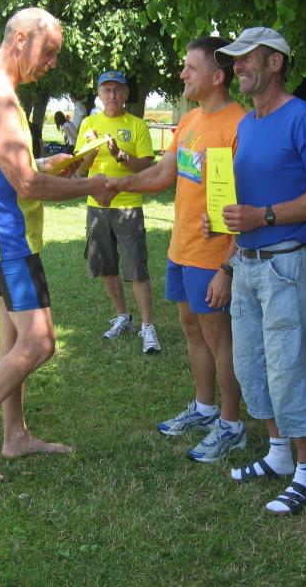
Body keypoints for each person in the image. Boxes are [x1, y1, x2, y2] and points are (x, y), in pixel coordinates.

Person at [0, 8, 113, 481]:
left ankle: (15, 434)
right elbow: (26, 186)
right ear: (21, 39)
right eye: (50, 51)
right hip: (8, 237)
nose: (53, 63)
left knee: (13, 337)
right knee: (39, 342)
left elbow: (0, 164)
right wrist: (91, 184)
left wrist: (41, 162)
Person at [207, 28, 306, 515]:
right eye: (235, 59)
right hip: (246, 263)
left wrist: (263, 216)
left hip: (285, 262)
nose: (238, 66)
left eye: (247, 58)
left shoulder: (304, 118)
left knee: (287, 367)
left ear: (275, 63)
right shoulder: (248, 123)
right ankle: (279, 453)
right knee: (250, 365)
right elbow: (246, 200)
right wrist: (222, 218)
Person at [108, 36, 246, 462]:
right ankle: (205, 408)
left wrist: (227, 266)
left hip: (213, 255)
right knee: (191, 328)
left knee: (219, 337)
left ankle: (232, 425)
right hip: (181, 249)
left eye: (190, 67)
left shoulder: (240, 125)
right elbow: (163, 173)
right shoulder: (189, 121)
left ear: (217, 76)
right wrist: (115, 183)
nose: (182, 73)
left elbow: (247, 201)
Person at [74, 70, 161, 354]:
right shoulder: (89, 123)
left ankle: (147, 326)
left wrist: (119, 154)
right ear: (99, 94)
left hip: (128, 206)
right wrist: (91, 148)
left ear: (125, 94)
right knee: (106, 266)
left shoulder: (137, 125)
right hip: (97, 207)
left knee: (137, 268)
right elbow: (81, 169)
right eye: (107, 90)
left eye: (117, 90)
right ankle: (123, 316)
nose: (112, 95)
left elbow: (146, 168)